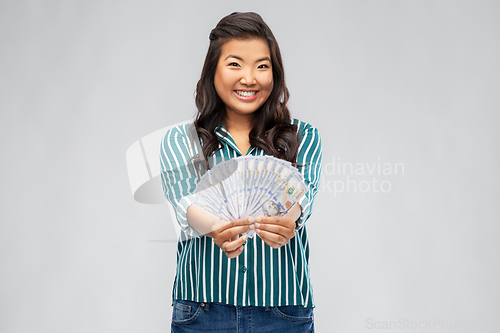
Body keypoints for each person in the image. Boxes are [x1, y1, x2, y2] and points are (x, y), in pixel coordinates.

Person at [160, 12, 322, 332]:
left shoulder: (303, 137)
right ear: (213, 71)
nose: (249, 78)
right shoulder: (181, 141)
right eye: (235, 64)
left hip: (283, 311)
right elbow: (184, 205)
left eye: (262, 66)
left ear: (274, 73)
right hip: (203, 310)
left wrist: (287, 221)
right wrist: (215, 227)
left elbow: (303, 195)